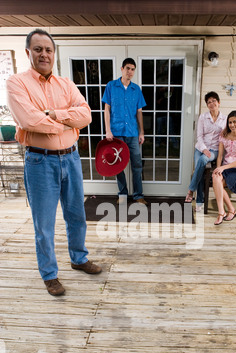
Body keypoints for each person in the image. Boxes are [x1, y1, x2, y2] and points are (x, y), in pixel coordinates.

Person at [6, 28, 102, 296]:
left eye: (48, 49)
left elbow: (86, 115)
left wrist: (53, 114)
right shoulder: (17, 83)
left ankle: (79, 258)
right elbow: (28, 121)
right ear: (29, 53)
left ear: (54, 53)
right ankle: (50, 274)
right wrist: (65, 123)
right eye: (38, 49)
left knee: (77, 215)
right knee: (44, 223)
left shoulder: (66, 84)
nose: (44, 54)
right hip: (40, 162)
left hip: (71, 158)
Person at [102, 58, 147, 204]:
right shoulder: (111, 86)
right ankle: (122, 194)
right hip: (116, 132)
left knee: (137, 164)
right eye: (128, 68)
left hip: (132, 132)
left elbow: (139, 112)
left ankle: (138, 195)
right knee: (118, 164)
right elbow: (107, 109)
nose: (130, 72)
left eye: (133, 69)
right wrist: (108, 130)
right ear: (122, 69)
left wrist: (141, 132)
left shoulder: (136, 89)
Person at [185, 91, 227, 211]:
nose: (211, 103)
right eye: (209, 102)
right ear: (207, 105)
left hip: (214, 150)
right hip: (201, 148)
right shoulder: (203, 117)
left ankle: (191, 190)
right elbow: (199, 136)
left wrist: (210, 152)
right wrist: (203, 149)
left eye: (214, 101)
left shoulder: (225, 119)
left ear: (219, 102)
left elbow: (224, 138)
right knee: (200, 165)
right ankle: (199, 205)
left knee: (202, 161)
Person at [212, 110, 236, 225]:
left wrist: (223, 168)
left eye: (234, 122)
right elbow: (219, 155)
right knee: (216, 177)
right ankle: (222, 212)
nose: (232, 125)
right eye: (230, 122)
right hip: (225, 167)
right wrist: (219, 168)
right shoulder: (224, 136)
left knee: (218, 184)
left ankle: (231, 210)